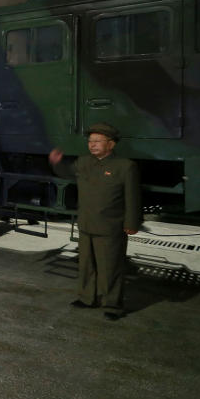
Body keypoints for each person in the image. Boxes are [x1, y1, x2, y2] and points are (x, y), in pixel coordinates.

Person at [49, 123, 140, 321]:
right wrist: (57, 163)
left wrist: (132, 223)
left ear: (111, 144)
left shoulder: (125, 166)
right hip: (86, 224)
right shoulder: (83, 162)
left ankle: (113, 305)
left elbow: (133, 198)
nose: (92, 145)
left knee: (110, 268)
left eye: (97, 141)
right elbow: (67, 173)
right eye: (90, 141)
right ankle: (87, 298)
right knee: (86, 265)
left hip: (110, 226)